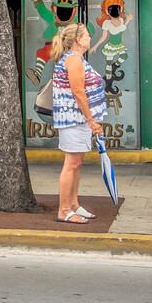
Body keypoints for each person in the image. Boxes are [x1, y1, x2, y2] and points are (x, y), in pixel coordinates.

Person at [49, 23, 106, 225]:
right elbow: (78, 92)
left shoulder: (76, 59)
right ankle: (64, 210)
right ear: (78, 40)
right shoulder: (73, 60)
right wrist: (91, 121)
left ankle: (73, 205)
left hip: (77, 120)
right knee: (71, 164)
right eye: (88, 36)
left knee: (77, 163)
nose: (90, 38)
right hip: (74, 119)